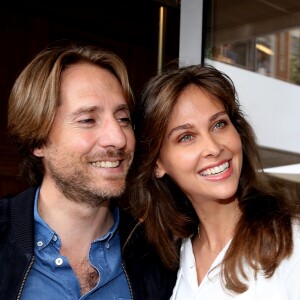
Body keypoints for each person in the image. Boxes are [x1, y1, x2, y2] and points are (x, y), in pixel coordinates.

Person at [0, 44, 177, 299]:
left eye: (123, 119)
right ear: (37, 141)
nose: (118, 138)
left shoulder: (159, 255)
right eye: (87, 120)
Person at [129, 64, 300, 299]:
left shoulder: (291, 241)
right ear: (157, 163)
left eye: (219, 124)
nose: (213, 147)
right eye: (186, 137)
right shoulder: (171, 259)